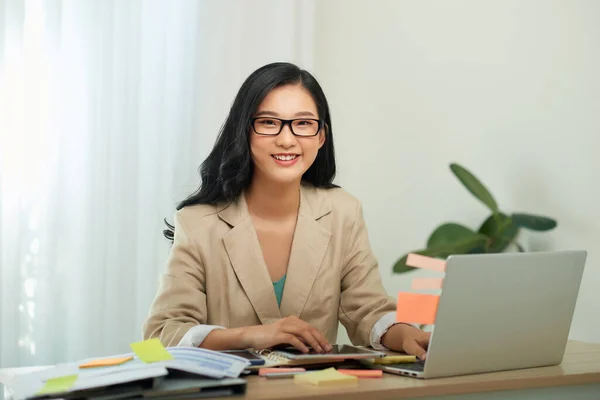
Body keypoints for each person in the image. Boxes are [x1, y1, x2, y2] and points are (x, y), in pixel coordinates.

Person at [142, 62, 431, 359]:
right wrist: (249, 335)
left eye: (303, 123)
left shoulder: (342, 211)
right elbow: (162, 334)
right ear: (245, 131)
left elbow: (368, 310)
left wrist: (404, 332)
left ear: (321, 136)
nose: (287, 139)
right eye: (269, 122)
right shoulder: (197, 223)